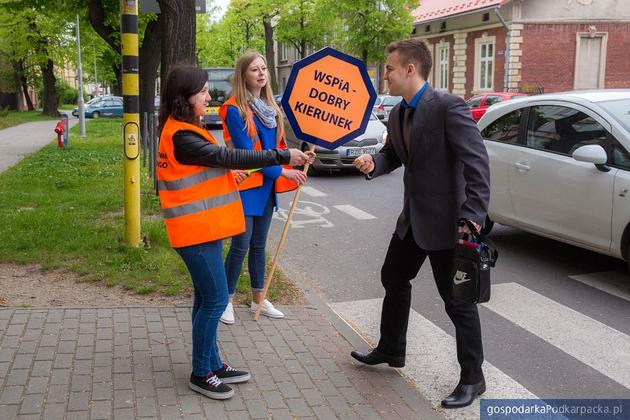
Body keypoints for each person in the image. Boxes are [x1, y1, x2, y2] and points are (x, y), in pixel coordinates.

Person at [156, 64, 314, 400]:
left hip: (202, 229)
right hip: (194, 232)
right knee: (214, 301)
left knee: (205, 299)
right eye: (201, 91)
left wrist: (230, 176)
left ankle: (213, 363)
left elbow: (208, 169)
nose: (208, 95)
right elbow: (227, 155)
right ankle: (201, 373)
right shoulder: (182, 135)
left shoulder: (184, 129)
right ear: (185, 97)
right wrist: (283, 155)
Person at [351, 38, 490, 409]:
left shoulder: (447, 106)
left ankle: (473, 379)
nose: (386, 75)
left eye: (390, 68)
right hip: (412, 220)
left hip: (449, 225)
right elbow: (393, 154)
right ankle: (391, 349)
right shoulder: (398, 113)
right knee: (393, 277)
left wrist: (473, 217)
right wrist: (373, 164)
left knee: (458, 303)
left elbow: (477, 162)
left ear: (410, 69)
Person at [219, 52, 307, 324]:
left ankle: (258, 298)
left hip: (267, 186)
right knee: (240, 245)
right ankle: (225, 300)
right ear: (243, 75)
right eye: (254, 69)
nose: (261, 73)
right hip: (246, 186)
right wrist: (285, 170)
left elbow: (279, 148)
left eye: (264, 68)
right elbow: (249, 154)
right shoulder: (235, 109)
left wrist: (300, 159)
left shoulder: (272, 108)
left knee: (259, 246)